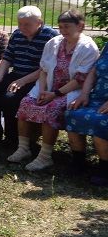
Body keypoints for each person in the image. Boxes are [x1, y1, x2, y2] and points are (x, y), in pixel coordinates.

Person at [9, 10, 98, 171]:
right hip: (48, 87)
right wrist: (42, 90)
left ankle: (45, 156)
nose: (63, 31)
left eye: (67, 27)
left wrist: (55, 94)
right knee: (26, 103)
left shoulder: (88, 47)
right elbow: (43, 69)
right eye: (60, 27)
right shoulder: (54, 43)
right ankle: (23, 148)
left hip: (71, 91)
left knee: (52, 108)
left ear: (81, 26)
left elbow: (80, 79)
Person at [0, 6, 58, 146]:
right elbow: (7, 57)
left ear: (39, 22)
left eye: (27, 24)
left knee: (10, 98)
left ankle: (12, 137)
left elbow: (46, 67)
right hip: (16, 74)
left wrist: (22, 81)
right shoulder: (17, 34)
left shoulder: (50, 36)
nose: (22, 27)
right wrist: (0, 76)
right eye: (20, 23)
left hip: (36, 79)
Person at [66, 43, 108, 186]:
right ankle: (79, 161)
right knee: (73, 113)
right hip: (98, 98)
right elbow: (94, 71)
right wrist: (84, 94)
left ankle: (104, 168)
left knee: (100, 121)